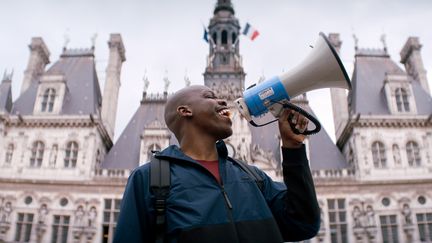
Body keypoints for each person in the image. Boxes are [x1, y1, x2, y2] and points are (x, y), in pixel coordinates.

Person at [114, 85, 320, 243]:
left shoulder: (253, 176)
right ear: (185, 111)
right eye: (210, 97)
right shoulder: (150, 179)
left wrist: (293, 150)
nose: (223, 101)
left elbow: (304, 224)